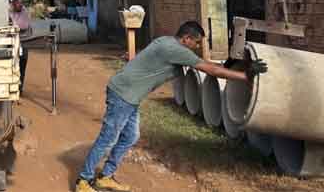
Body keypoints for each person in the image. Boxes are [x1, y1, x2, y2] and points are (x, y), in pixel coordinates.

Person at [74, 21, 267, 192]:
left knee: (131, 136)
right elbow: (210, 69)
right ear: (186, 38)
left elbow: (205, 64)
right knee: (108, 139)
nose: (197, 46)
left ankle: (105, 176)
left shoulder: (166, 41)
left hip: (130, 96)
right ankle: (83, 180)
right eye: (196, 42)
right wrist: (245, 75)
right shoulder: (175, 50)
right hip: (123, 95)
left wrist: (230, 65)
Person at [8, 0, 31, 92]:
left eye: (21, 2)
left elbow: (24, 26)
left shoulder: (24, 11)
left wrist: (13, 24)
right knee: (9, 65)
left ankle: (19, 88)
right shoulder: (7, 10)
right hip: (10, 42)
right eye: (18, 2)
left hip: (22, 41)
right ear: (13, 2)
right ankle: (10, 86)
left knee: (22, 64)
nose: (20, 4)